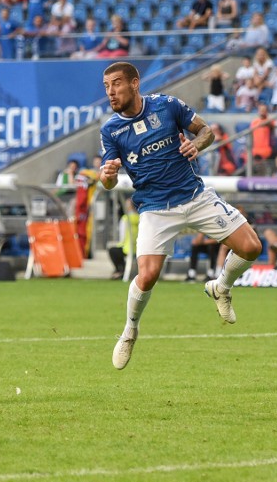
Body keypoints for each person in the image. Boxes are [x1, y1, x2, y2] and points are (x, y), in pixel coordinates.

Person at [98, 62, 262, 370]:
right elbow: (107, 181)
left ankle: (221, 286)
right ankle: (130, 330)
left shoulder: (167, 105)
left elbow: (207, 131)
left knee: (252, 247)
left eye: (116, 84)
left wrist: (196, 144)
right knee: (147, 276)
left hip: (194, 196)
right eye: (106, 86)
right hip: (155, 208)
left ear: (135, 83)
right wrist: (106, 175)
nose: (111, 92)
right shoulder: (111, 130)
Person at [108, 199, 139, 280]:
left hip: (127, 248)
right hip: (140, 249)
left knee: (113, 251)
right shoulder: (141, 218)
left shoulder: (125, 218)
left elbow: (122, 236)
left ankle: (120, 270)